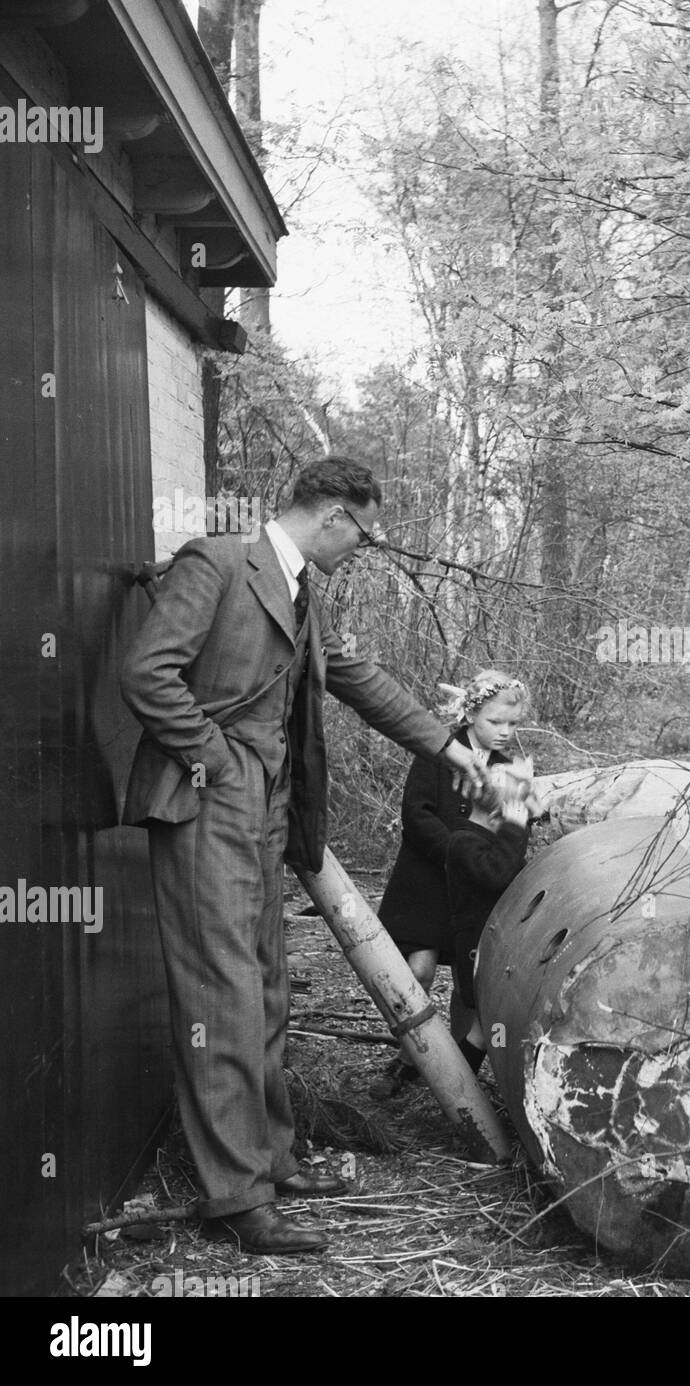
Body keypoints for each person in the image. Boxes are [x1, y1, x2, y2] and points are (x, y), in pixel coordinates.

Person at [120, 456, 485, 1255]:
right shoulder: (218, 564)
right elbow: (148, 673)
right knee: (222, 998)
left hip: (269, 811)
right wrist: (210, 755)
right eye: (363, 531)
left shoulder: (301, 591)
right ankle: (235, 1198)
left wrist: (451, 747)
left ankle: (274, 1159)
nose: (363, 545)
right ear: (331, 516)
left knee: (267, 990)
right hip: (206, 802)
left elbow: (357, 677)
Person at [372, 672, 530, 1095]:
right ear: (473, 712)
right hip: (425, 882)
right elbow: (416, 814)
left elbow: (511, 828)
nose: (505, 732)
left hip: (475, 891)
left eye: (513, 725)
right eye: (497, 722)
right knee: (416, 970)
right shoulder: (439, 751)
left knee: (470, 984)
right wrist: (458, 853)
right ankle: (408, 1058)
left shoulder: (508, 768)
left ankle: (459, 1072)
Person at [443, 765, 532, 1073]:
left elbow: (510, 868)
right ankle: (456, 1091)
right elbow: (498, 875)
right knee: (482, 1032)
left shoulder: (482, 839)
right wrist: (515, 825)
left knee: (486, 1031)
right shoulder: (463, 841)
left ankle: (460, 1092)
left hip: (493, 946)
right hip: (479, 951)